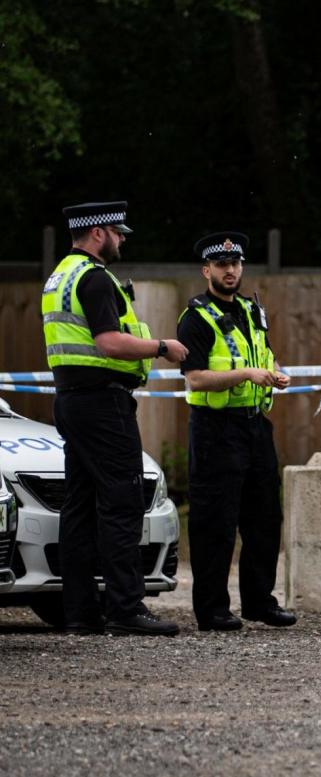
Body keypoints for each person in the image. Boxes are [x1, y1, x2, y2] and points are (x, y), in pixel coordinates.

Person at [42, 201, 188, 636]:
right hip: (103, 404)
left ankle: (80, 613)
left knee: (80, 507)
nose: (122, 239)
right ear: (99, 232)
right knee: (122, 501)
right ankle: (126, 608)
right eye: (118, 232)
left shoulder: (59, 276)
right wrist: (162, 347)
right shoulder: (93, 278)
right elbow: (108, 342)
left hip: (71, 400)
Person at [176, 232, 297, 632]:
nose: (231, 271)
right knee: (215, 524)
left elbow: (260, 354)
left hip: (254, 425)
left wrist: (274, 372)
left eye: (236, 264)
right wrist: (247, 374)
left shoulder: (250, 309)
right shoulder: (195, 317)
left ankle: (260, 601)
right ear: (206, 270)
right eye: (222, 265)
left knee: (265, 518)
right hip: (215, 431)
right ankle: (211, 610)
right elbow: (195, 378)